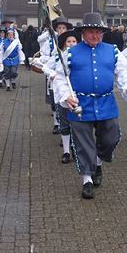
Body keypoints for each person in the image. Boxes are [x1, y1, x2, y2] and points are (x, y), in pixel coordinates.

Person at [54, 12, 127, 199]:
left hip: (106, 102)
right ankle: (87, 180)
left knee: (112, 137)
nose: (95, 36)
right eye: (91, 32)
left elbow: (123, 73)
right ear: (83, 33)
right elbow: (60, 79)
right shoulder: (70, 53)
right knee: (83, 144)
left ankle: (98, 162)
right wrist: (66, 95)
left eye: (98, 32)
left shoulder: (112, 51)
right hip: (80, 105)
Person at [42, 28, 80, 164]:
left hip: (77, 94)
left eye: (74, 41)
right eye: (69, 41)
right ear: (64, 44)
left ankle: (75, 149)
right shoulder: (58, 56)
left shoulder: (81, 57)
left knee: (77, 124)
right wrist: (52, 74)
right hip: (61, 94)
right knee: (64, 123)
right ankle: (66, 151)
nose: (71, 43)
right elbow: (45, 67)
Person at [37, 16, 73, 134]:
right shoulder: (50, 41)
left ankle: (69, 125)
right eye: (59, 28)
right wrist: (53, 59)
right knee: (55, 99)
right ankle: (56, 123)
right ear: (56, 29)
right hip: (54, 74)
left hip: (69, 76)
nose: (62, 30)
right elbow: (43, 56)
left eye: (64, 28)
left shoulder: (72, 41)